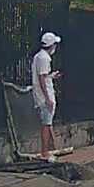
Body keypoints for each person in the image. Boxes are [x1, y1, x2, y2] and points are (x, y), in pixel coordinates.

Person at [32, 32, 63, 160]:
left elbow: (44, 76)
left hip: (43, 95)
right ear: (51, 45)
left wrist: (51, 76)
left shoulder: (39, 56)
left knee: (48, 123)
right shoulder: (44, 58)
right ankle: (45, 152)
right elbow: (41, 79)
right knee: (46, 124)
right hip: (45, 96)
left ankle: (51, 147)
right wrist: (48, 98)